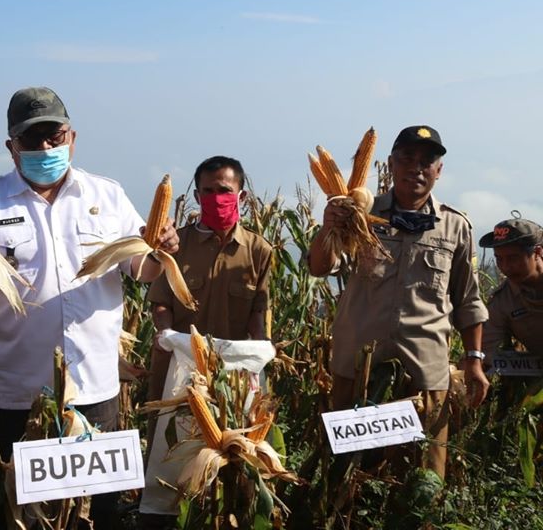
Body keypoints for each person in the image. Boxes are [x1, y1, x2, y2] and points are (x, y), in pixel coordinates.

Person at [0, 86, 179, 529]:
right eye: (32, 140)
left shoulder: (107, 196)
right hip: (11, 395)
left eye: (55, 135)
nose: (45, 147)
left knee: (95, 514)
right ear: (11, 147)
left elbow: (139, 269)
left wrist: (161, 252)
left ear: (73, 137)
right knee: (13, 515)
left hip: (94, 391)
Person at [308, 125, 489, 479]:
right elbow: (320, 266)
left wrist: (474, 361)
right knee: (348, 470)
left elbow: (468, 300)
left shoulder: (455, 226)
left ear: (439, 170)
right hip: (358, 366)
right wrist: (328, 227)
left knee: (422, 471)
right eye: (407, 158)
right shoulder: (359, 212)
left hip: (424, 371)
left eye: (427, 161)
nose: (416, 168)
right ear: (390, 164)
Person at [139, 155, 272, 529]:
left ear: (241, 196)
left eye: (225, 191)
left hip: (232, 378)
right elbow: (161, 301)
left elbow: (257, 316)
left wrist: (258, 365)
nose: (216, 198)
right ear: (196, 195)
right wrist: (165, 334)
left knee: (227, 462)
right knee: (171, 459)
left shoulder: (259, 251)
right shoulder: (176, 245)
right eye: (208, 191)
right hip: (177, 374)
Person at [478, 217, 543, 365]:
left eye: (513, 258)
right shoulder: (502, 301)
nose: (506, 267)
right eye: (499, 259)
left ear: (537, 252)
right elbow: (483, 350)